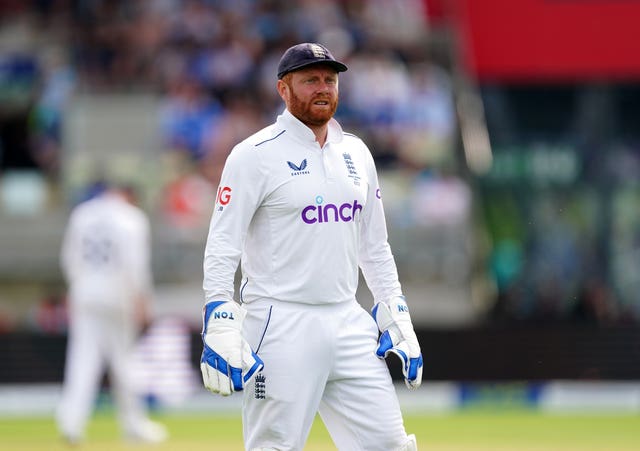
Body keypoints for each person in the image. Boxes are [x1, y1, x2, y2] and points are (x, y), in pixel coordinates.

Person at [200, 43, 423, 450]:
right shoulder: (253, 155)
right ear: (283, 89)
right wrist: (218, 314)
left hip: (348, 320)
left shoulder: (356, 152)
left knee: (390, 445)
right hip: (280, 323)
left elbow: (374, 245)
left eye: (329, 79)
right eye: (310, 80)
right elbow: (223, 243)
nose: (322, 88)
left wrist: (395, 311)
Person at [56, 182, 167, 444]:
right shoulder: (132, 218)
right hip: (118, 295)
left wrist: (76, 287)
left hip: (85, 292)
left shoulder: (81, 214)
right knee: (124, 361)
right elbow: (136, 265)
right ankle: (134, 424)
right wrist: (143, 300)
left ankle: (71, 423)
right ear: (130, 196)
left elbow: (69, 258)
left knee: (82, 360)